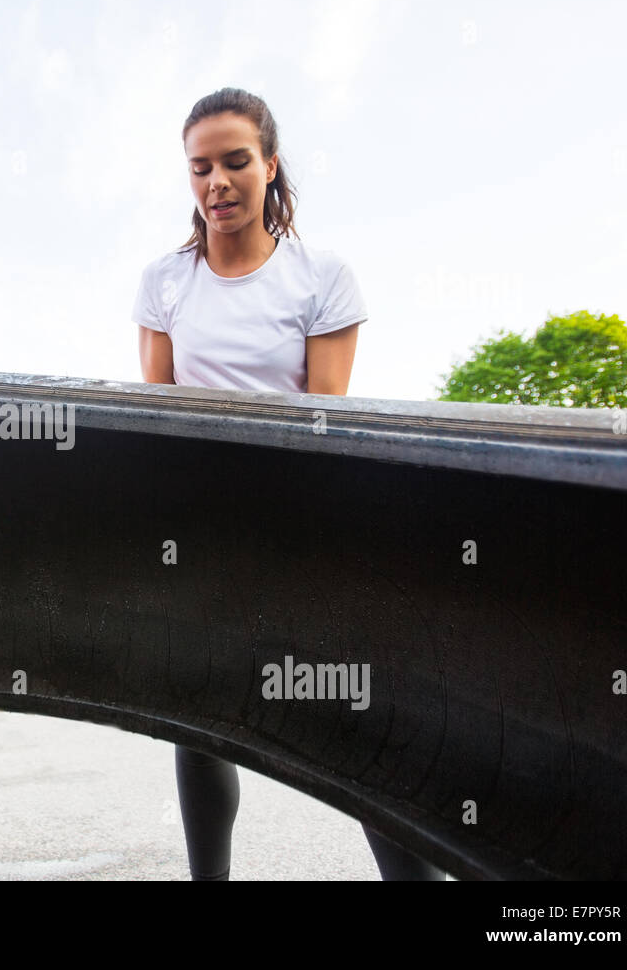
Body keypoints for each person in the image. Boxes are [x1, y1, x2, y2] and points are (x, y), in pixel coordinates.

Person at [133, 87, 444, 882]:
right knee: (198, 724)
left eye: (236, 162)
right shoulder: (165, 282)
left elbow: (324, 425)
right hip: (203, 530)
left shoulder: (323, 277)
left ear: (270, 165)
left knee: (351, 725)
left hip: (303, 524)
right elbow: (157, 418)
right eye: (200, 168)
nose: (217, 183)